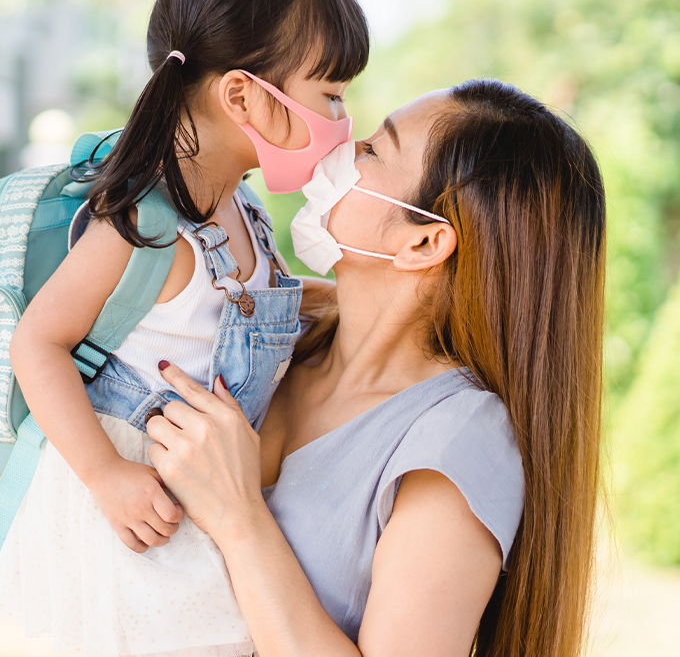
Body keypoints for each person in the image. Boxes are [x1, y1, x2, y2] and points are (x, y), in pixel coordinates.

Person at [0, 0, 369, 657]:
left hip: (202, 496)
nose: (344, 119)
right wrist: (106, 476)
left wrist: (368, 298)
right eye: (332, 94)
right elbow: (37, 343)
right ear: (243, 95)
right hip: (140, 511)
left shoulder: (242, 207)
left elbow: (261, 302)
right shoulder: (142, 224)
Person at [146, 80, 605, 657]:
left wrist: (238, 516)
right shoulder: (278, 335)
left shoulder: (457, 440)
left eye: (372, 151)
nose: (338, 149)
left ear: (424, 244)